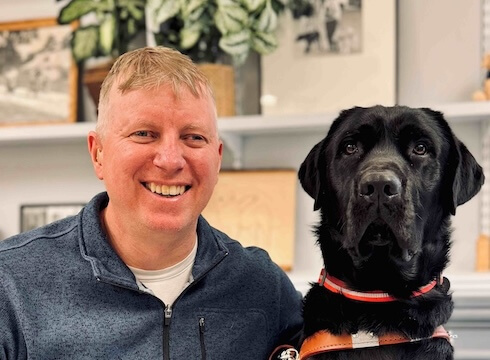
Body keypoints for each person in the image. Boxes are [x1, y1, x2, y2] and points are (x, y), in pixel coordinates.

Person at [0, 46, 303, 359]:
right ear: (98, 153)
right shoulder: (11, 285)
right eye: (144, 133)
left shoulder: (264, 288)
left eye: (194, 137)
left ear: (218, 158)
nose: (170, 160)